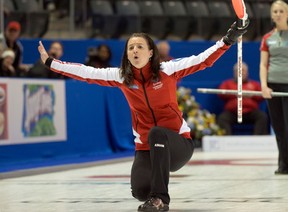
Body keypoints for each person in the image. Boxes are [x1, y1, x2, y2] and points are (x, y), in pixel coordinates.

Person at [38, 19, 249, 211]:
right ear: (127, 55)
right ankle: (151, 192)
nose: (135, 50)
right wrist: (51, 63)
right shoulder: (121, 77)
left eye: (140, 46)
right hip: (146, 147)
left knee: (157, 133)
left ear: (150, 52)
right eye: (131, 48)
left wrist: (228, 40)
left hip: (178, 145)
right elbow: (87, 73)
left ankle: (160, 199)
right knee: (139, 191)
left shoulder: (168, 70)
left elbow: (203, 59)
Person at [259, 0, 288, 175]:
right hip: (273, 86)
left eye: (281, 11)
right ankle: (283, 164)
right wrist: (264, 85)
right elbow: (263, 65)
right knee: (278, 127)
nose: (277, 14)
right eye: (275, 11)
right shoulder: (267, 38)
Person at [217, 62, 269, 135]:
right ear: (234, 72)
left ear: (247, 72)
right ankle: (227, 141)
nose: (241, 73)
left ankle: (258, 140)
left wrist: (252, 95)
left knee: (262, 116)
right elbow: (220, 94)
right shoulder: (227, 84)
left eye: (243, 70)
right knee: (222, 118)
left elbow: (263, 96)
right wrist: (234, 93)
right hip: (233, 112)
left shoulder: (254, 84)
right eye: (238, 70)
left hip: (251, 112)